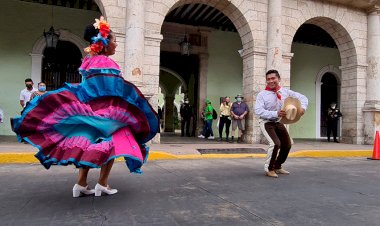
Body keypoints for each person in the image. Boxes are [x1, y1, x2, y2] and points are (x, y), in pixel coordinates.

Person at [11, 16, 159, 197]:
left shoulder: (88, 61)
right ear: (104, 43)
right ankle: (102, 184)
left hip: (89, 111)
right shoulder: (106, 62)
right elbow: (110, 88)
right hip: (105, 112)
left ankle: (80, 184)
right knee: (116, 140)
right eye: (114, 40)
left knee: (88, 145)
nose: (116, 44)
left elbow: (87, 88)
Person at [255, 69, 308, 178]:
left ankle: (277, 166)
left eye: (273, 78)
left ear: (278, 79)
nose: (270, 81)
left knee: (287, 144)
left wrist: (303, 108)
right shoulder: (262, 95)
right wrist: (276, 113)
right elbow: (258, 111)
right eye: (268, 79)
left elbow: (303, 97)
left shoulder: (286, 92)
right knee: (275, 143)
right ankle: (269, 169)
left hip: (279, 122)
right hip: (266, 121)